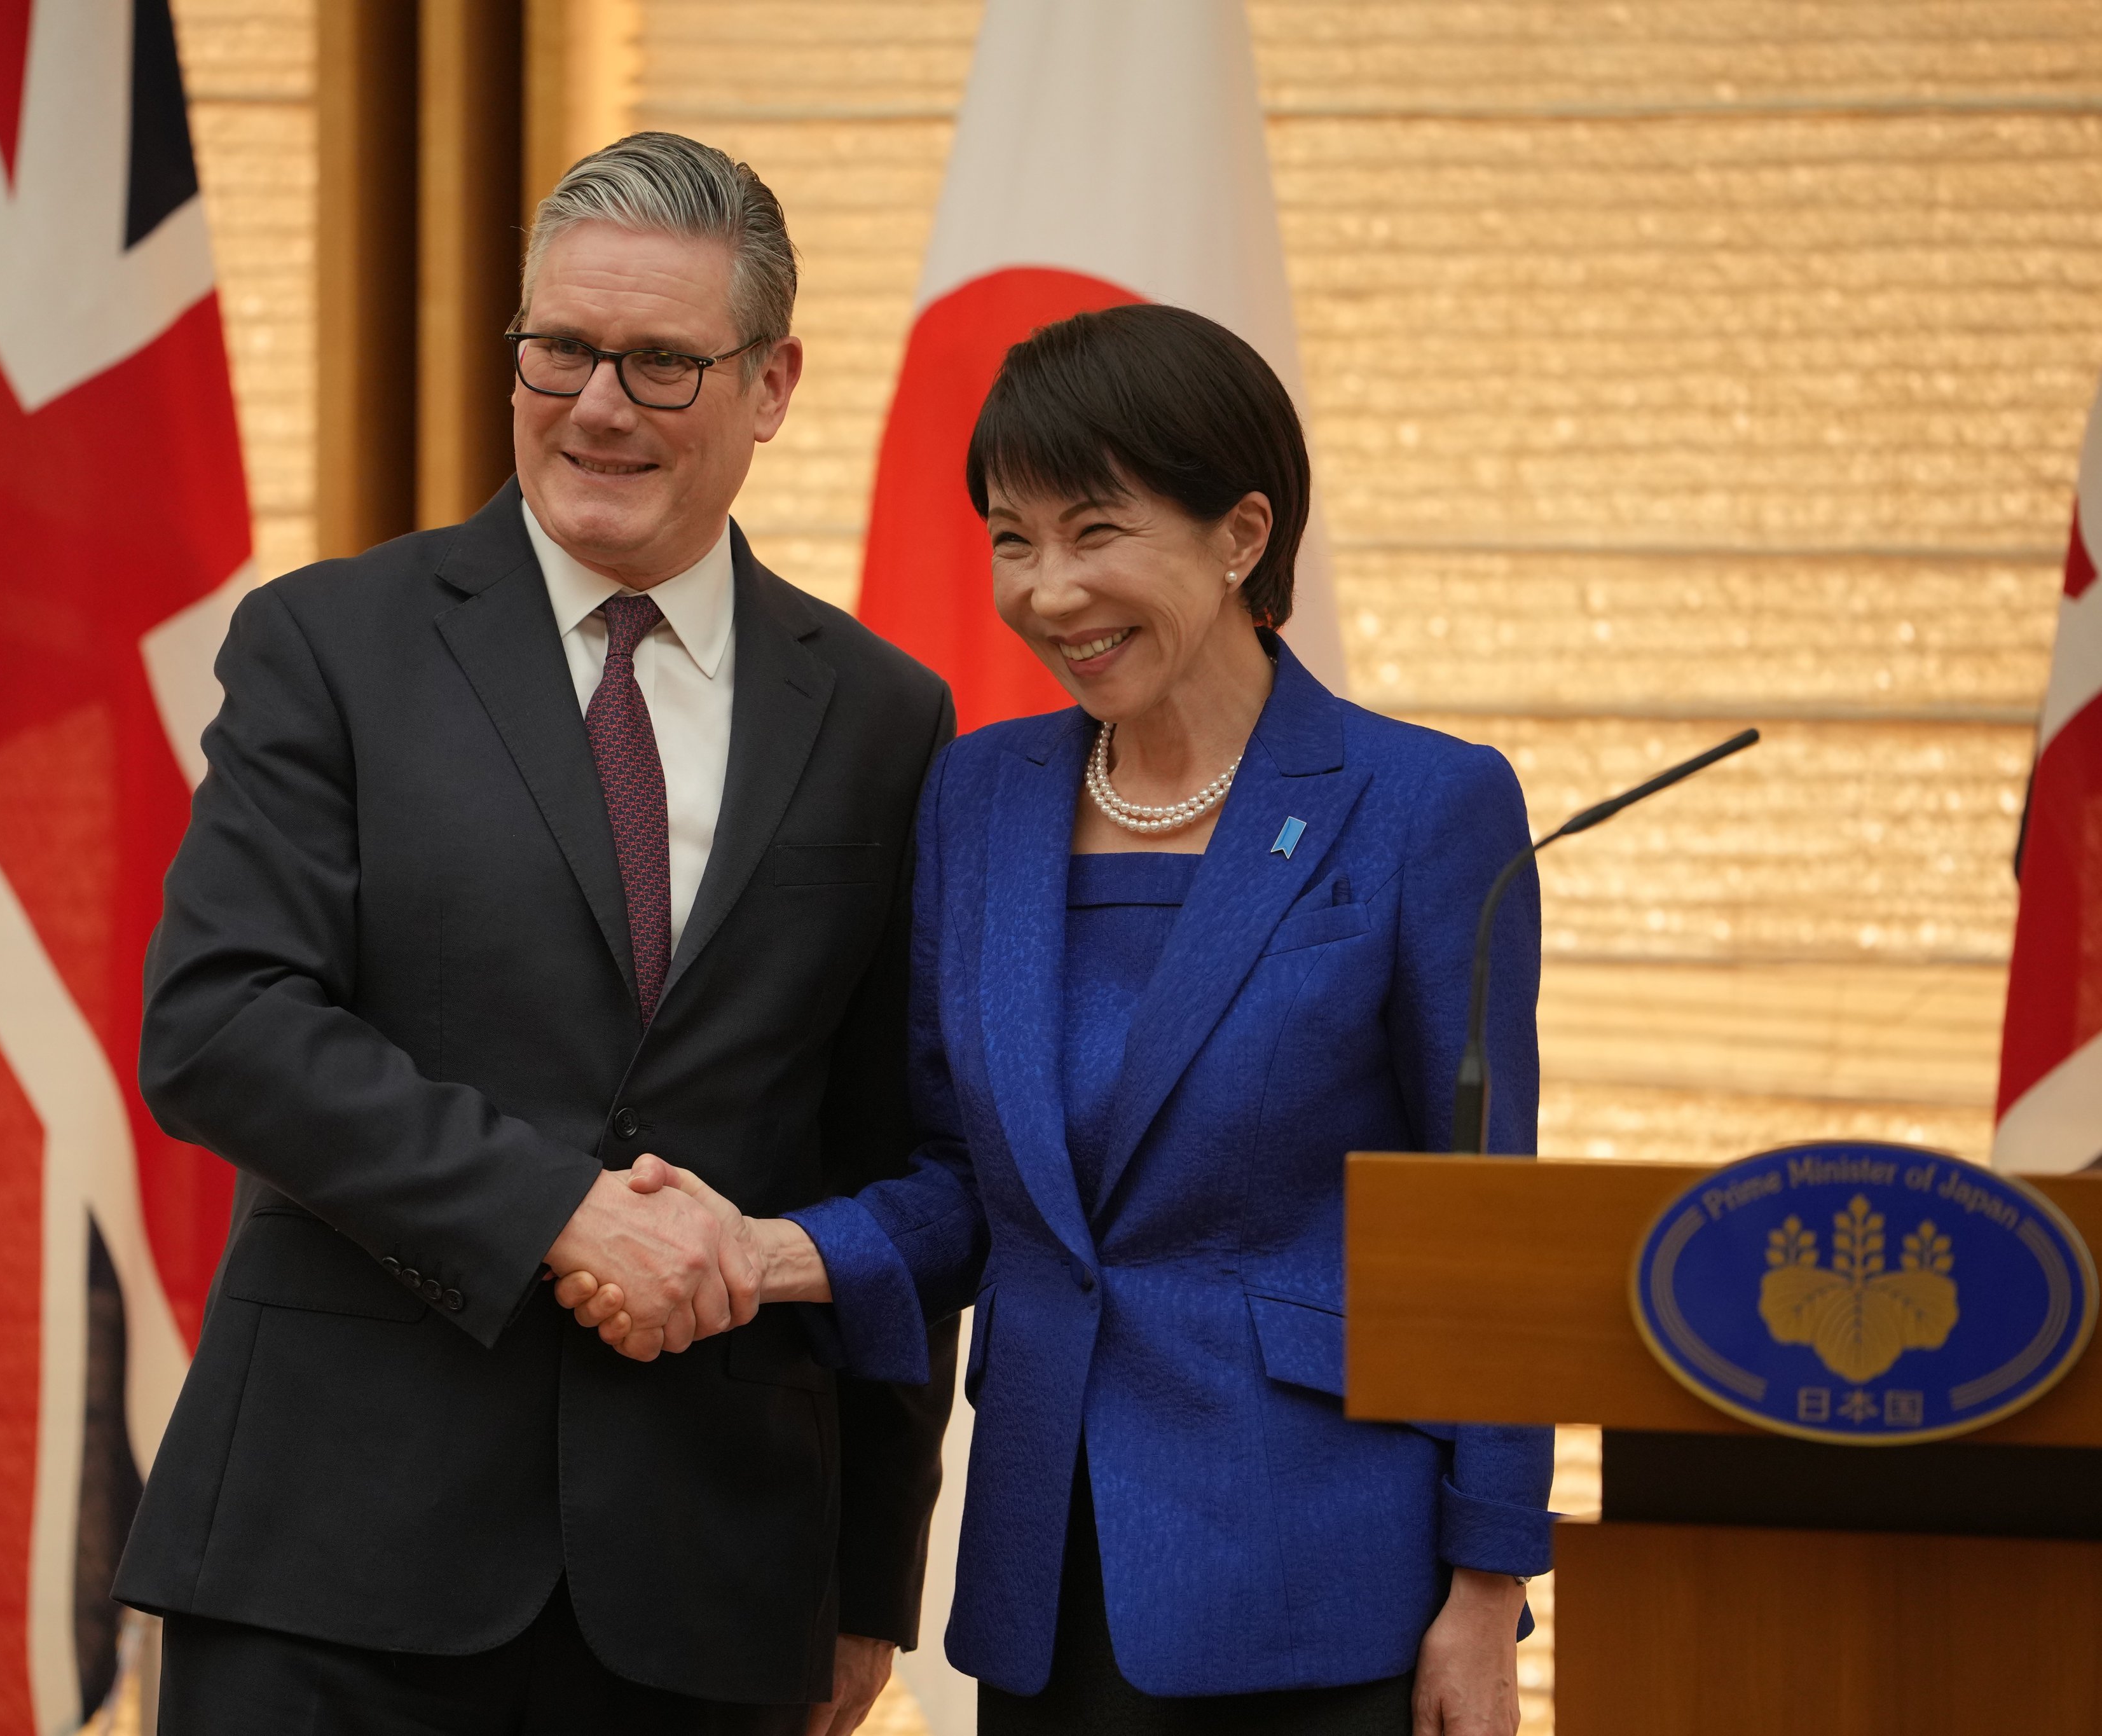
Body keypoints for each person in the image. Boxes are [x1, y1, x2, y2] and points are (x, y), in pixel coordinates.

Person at [563, 304, 1555, 1735]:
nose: (1044, 592)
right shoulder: (979, 796)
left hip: (1326, 1584)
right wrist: (754, 1250)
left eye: (1095, 532)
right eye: (1010, 540)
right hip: (1050, 1578)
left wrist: (1485, 1588)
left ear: (1238, 535)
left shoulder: (1421, 807)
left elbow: (1484, 1231)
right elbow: (963, 1187)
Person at [114, 133, 958, 1736]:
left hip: (707, 1590)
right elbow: (223, 1025)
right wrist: (561, 1211)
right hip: (329, 1568)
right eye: (558, 349)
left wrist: (864, 1582)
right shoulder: (328, 643)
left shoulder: (881, 721)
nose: (595, 406)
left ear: (771, 385)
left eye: (659, 363)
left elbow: (883, 1163)